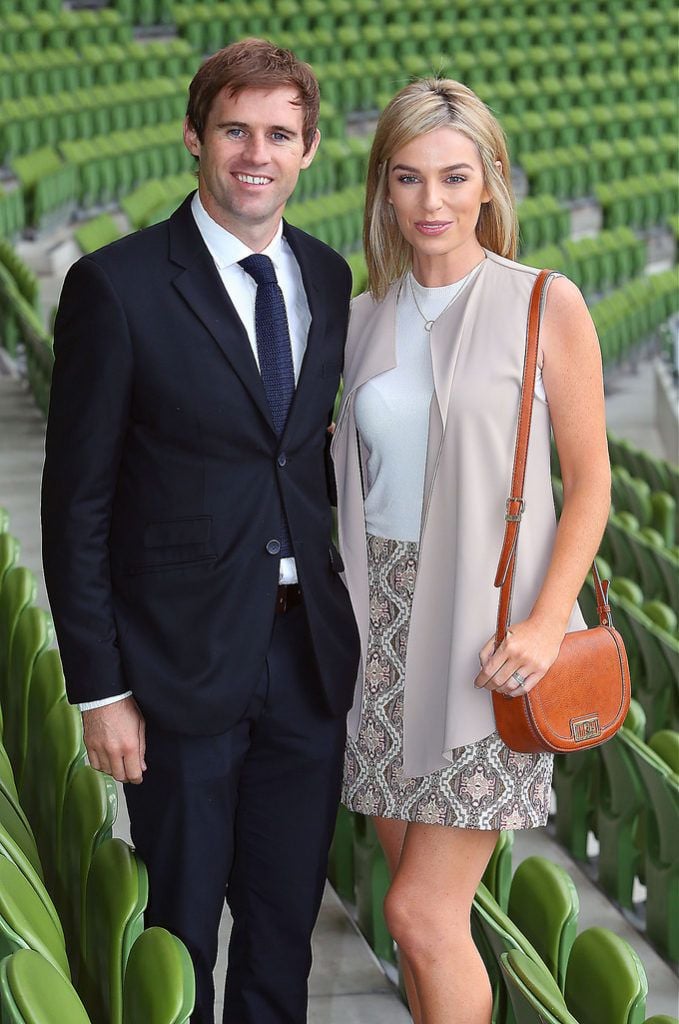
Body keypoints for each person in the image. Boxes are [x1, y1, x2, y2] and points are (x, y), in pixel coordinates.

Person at [41, 38, 359, 1024]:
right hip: (175, 666)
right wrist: (102, 690)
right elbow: (76, 504)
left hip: (304, 658)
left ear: (307, 150)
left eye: (277, 133)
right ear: (194, 136)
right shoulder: (117, 286)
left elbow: (298, 459)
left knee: (281, 929)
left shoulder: (327, 276)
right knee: (178, 934)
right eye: (234, 129)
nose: (253, 152)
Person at [331, 78, 611, 1024]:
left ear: (489, 182)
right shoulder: (364, 315)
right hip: (378, 625)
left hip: (489, 636)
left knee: (422, 912)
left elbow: (590, 485)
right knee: (409, 911)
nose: (432, 202)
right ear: (383, 188)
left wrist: (542, 622)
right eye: (407, 179)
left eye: (454, 177)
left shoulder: (544, 303)